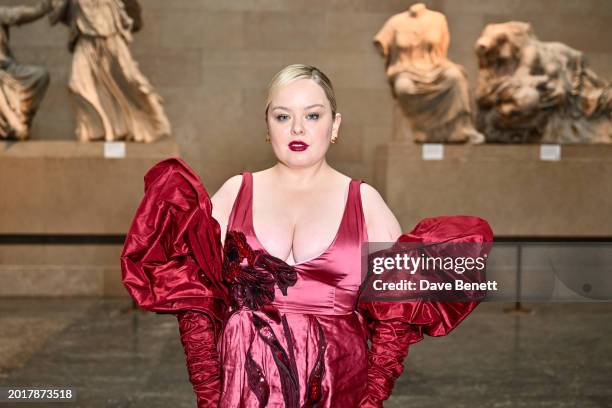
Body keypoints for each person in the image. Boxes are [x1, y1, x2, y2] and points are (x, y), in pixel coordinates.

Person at [121, 64, 492, 407]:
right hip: (245, 388)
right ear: (267, 127)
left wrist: (372, 398)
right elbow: (195, 299)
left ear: (335, 125)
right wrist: (209, 393)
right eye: (283, 117)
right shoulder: (234, 193)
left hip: (338, 385)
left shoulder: (365, 202)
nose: (297, 129)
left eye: (313, 115)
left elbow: (395, 318)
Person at [49, 0, 170, 142]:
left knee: (131, 79)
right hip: (86, 43)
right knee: (77, 85)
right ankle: (95, 130)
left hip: (111, 41)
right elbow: (57, 12)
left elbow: (134, 17)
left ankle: (154, 121)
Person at [0, 0, 51, 140]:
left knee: (41, 76)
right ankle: (13, 122)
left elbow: (21, 14)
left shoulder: (1, 14)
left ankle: (21, 118)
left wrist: (45, 7)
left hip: (8, 68)